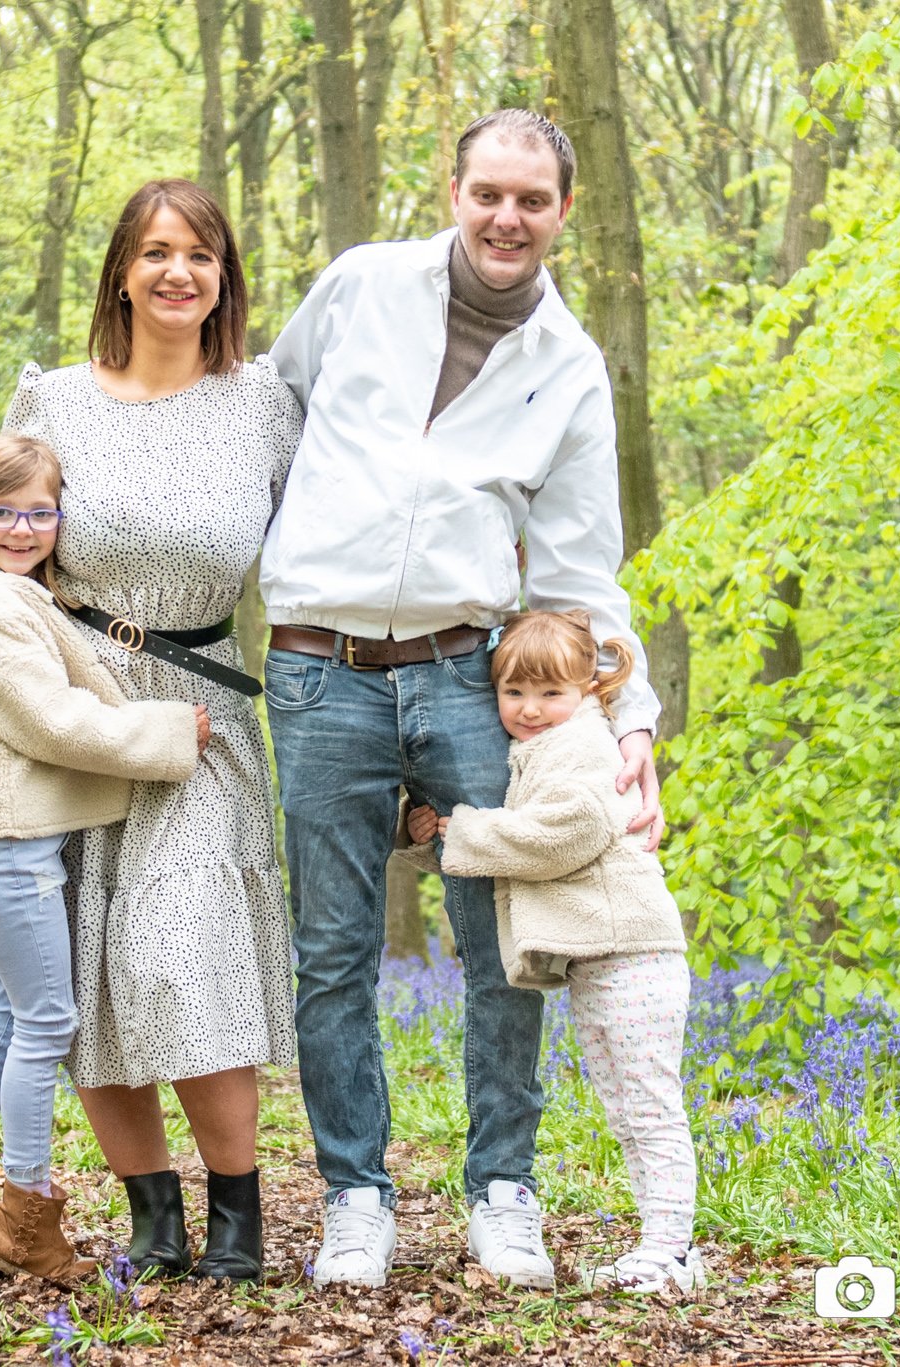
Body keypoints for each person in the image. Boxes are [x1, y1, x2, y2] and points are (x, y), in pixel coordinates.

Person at [262, 107, 666, 1290]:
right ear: (453, 190)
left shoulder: (571, 365)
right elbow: (267, 429)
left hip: (465, 672)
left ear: (561, 214)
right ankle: (353, 1195)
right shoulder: (357, 288)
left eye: (530, 200)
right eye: (488, 192)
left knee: (503, 938)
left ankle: (503, 1187)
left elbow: (583, 571)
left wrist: (627, 716)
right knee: (332, 949)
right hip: (313, 662)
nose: (506, 217)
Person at [0, 179, 301, 1283]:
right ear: (120, 270)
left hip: (199, 706)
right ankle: (149, 1221)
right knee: (77, 973)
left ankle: (237, 1218)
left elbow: (327, 544)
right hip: (59, 697)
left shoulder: (264, 403)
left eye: (201, 256)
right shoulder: (55, 399)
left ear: (225, 277)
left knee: (183, 955)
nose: (179, 274)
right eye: (157, 252)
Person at [0, 433, 210, 1282]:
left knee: (3, 1022)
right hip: (6, 848)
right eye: (2, 512)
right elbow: (57, 721)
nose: (24, 528)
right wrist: (172, 731)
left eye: (40, 511)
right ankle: (25, 1216)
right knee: (44, 1026)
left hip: (3, 843)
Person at [402, 611, 701, 1295]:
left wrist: (466, 828)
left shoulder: (586, 744)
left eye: (549, 693)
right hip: (602, 957)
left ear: (588, 691)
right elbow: (510, 846)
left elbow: (564, 834)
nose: (530, 709)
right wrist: (432, 837)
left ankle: (672, 1251)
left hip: (635, 949)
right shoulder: (540, 749)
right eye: (513, 693)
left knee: (650, 1105)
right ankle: (662, 1245)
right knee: (627, 1106)